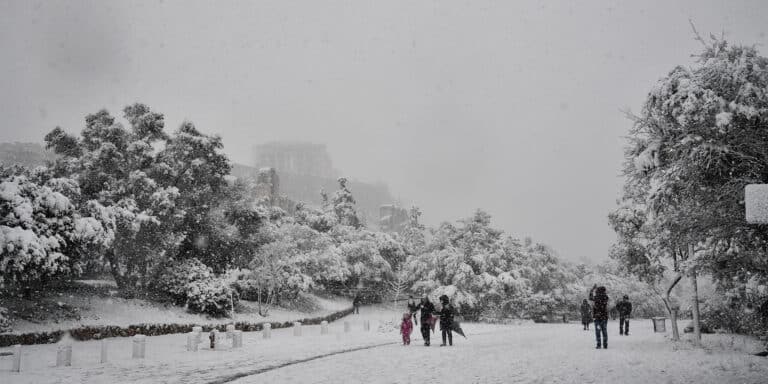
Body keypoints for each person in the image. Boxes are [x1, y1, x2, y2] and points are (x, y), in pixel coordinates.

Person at [589, 285, 609, 349]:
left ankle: (599, 344)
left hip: (597, 317)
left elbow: (590, 297)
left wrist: (592, 290)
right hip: (604, 317)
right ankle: (605, 344)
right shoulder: (605, 297)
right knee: (604, 330)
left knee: (598, 331)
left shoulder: (597, 297)